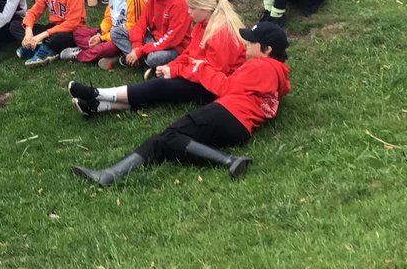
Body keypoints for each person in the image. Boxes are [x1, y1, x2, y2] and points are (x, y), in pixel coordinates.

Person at [70, 22, 290, 187]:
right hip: (238, 125)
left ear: (267, 49)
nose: (246, 43)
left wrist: (202, 68)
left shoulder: (262, 66)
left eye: (252, 41)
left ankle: (230, 160)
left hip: (228, 113)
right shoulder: (274, 72)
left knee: (171, 136)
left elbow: (226, 88)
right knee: (162, 141)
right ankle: (110, 174)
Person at [68, 0, 242, 114]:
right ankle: (98, 105)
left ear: (205, 7)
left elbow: (212, 72)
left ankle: (98, 94)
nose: (188, 12)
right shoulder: (202, 24)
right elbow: (191, 53)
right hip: (200, 75)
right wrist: (172, 67)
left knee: (160, 87)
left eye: (192, 8)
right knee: (160, 87)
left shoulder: (221, 32)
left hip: (213, 87)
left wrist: (176, 71)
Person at [61, 0, 145, 69]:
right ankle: (102, 51)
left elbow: (131, 30)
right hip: (109, 34)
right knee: (78, 33)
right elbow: (108, 18)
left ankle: (81, 54)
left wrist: (102, 38)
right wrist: (99, 34)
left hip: (122, 39)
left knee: (104, 48)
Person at [122, 0, 191, 69]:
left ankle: (139, 60)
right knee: (116, 32)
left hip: (172, 47)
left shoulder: (179, 4)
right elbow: (140, 24)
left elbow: (171, 40)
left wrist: (141, 50)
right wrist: (136, 47)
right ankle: (140, 60)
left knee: (154, 58)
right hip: (153, 40)